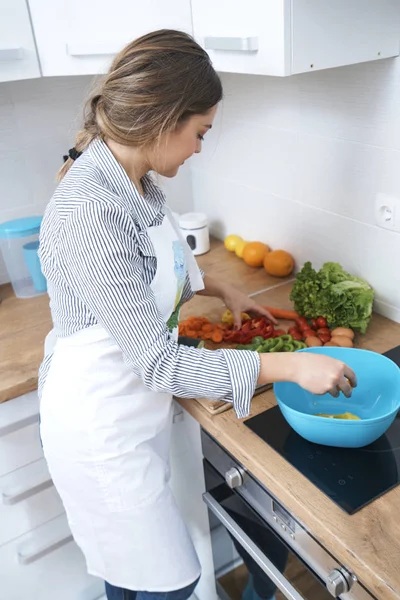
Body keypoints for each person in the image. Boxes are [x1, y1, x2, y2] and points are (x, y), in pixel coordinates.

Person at [38, 29, 356, 600]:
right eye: (200, 132)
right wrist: (290, 367)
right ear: (164, 119)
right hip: (100, 425)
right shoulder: (90, 209)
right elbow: (158, 364)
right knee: (164, 583)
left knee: (143, 578)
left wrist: (217, 292)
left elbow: (147, 265)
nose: (200, 150)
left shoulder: (130, 176)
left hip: (131, 410)